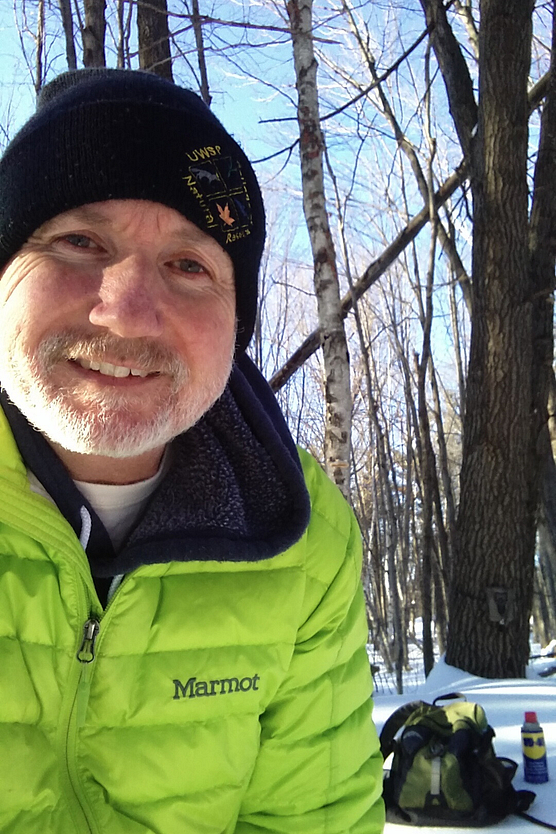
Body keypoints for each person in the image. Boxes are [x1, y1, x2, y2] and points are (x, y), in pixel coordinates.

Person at [0, 68, 384, 833]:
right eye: (80, 241)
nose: (129, 313)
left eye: (189, 265)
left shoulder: (302, 538)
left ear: (235, 326)